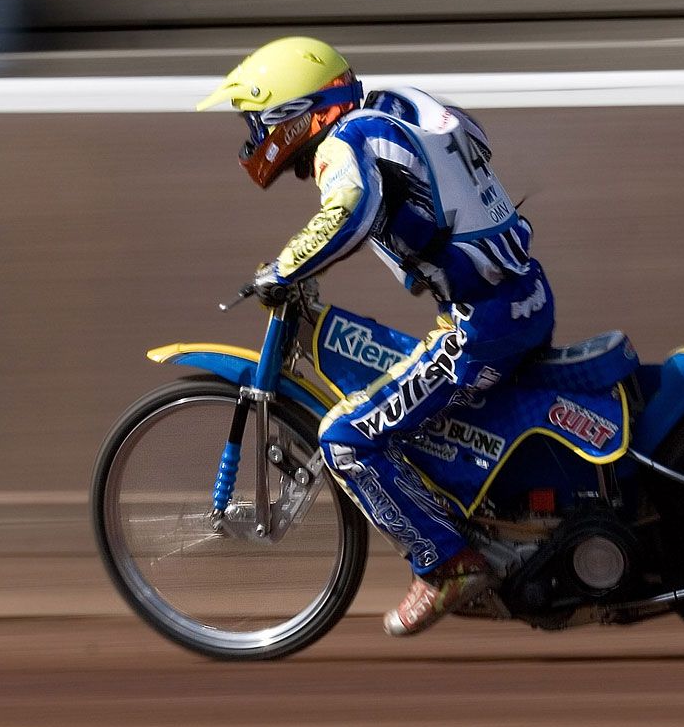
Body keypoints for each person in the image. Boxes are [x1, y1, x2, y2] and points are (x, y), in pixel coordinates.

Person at [197, 36, 554, 637]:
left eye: (257, 121)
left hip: (483, 324)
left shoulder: (346, 140)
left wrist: (282, 270)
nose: (254, 136)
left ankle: (447, 566)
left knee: (344, 438)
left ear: (293, 112)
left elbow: (349, 210)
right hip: (520, 297)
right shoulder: (394, 104)